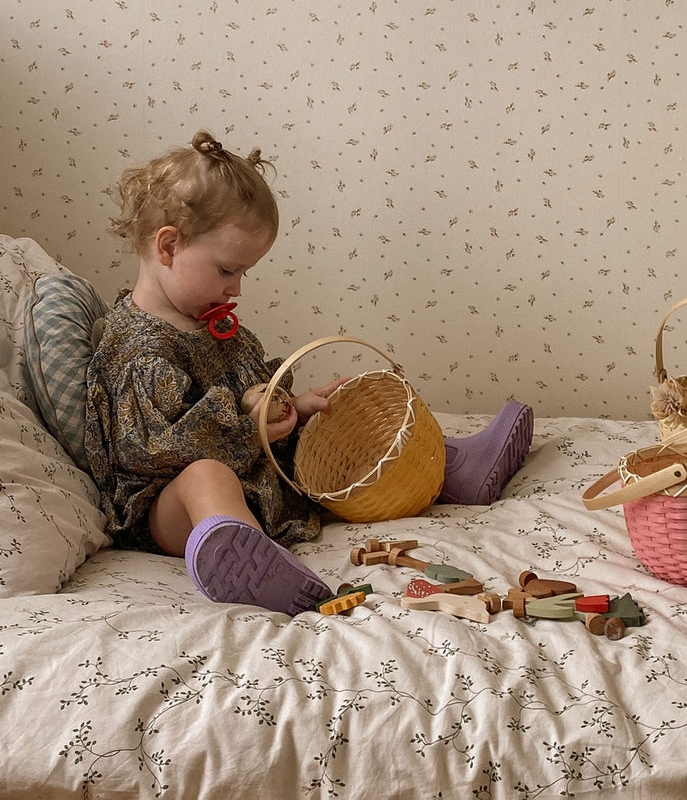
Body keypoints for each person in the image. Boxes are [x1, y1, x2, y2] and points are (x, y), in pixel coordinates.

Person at [85, 131, 533, 617]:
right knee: (205, 476)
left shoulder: (211, 323)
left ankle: (450, 470)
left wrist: (287, 409)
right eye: (227, 270)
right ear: (168, 246)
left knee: (332, 422)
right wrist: (247, 425)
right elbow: (154, 448)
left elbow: (249, 396)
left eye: (242, 274)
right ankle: (239, 553)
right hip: (168, 510)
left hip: (253, 469)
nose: (235, 288)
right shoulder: (138, 347)